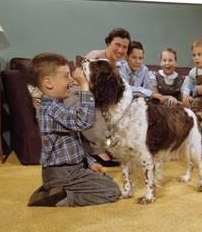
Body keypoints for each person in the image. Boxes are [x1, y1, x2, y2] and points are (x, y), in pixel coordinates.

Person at [27, 52, 120, 206]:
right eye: (66, 76)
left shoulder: (58, 105)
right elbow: (83, 121)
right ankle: (63, 197)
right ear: (49, 83)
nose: (71, 80)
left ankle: (55, 190)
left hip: (70, 169)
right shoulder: (50, 108)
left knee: (105, 179)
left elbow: (74, 142)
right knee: (111, 191)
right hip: (63, 173)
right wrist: (84, 87)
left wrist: (90, 162)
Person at [65, 27, 132, 167]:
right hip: (79, 90)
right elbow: (82, 78)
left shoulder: (122, 66)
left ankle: (113, 146)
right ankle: (98, 150)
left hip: (98, 95)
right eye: (117, 45)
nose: (120, 50)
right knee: (93, 108)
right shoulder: (95, 57)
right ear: (108, 43)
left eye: (124, 47)